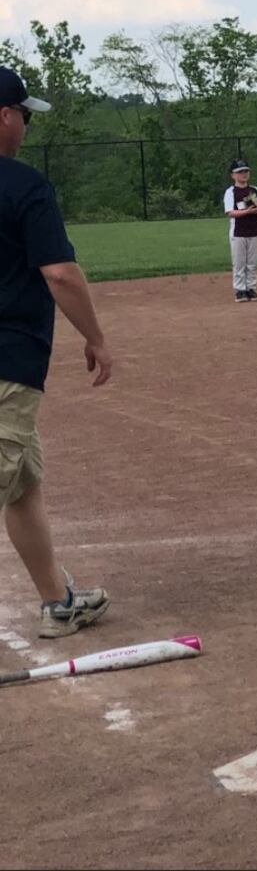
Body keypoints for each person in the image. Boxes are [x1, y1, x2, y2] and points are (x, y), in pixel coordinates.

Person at [0, 66, 113, 638]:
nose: (25, 124)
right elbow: (61, 274)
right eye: (22, 113)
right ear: (4, 117)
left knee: (20, 482)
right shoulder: (24, 187)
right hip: (7, 365)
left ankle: (58, 602)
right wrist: (95, 337)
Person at [223, 159, 257, 302]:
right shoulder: (231, 192)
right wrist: (247, 211)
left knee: (252, 262)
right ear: (233, 175)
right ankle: (240, 290)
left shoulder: (254, 189)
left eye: (246, 171)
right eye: (240, 172)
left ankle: (251, 288)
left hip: (254, 230)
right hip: (238, 232)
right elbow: (230, 212)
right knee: (239, 262)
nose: (244, 174)